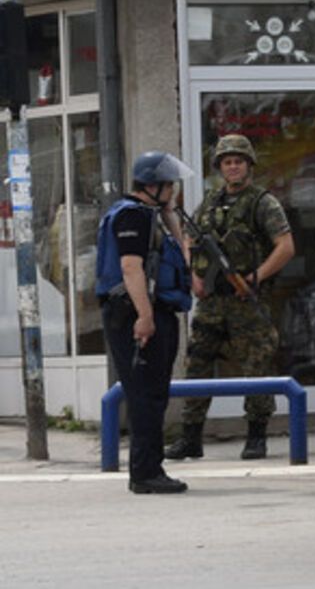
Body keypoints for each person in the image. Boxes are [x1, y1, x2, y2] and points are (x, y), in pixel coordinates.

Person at [165, 134, 295, 462]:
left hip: (247, 301)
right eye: (227, 162)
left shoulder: (262, 202)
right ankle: (191, 437)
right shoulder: (209, 202)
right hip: (212, 300)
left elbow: (286, 247)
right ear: (220, 167)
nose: (233, 167)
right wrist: (194, 273)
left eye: (238, 161)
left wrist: (255, 278)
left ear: (249, 164)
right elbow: (189, 238)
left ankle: (256, 436)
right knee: (197, 364)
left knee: (257, 367)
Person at [97, 150, 194, 494]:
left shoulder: (147, 214)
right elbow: (130, 268)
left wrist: (168, 214)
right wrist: (145, 317)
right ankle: (144, 472)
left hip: (148, 312)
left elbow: (182, 253)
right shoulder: (133, 217)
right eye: (170, 186)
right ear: (154, 185)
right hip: (135, 315)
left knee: (154, 392)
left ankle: (149, 468)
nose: (174, 192)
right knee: (146, 395)